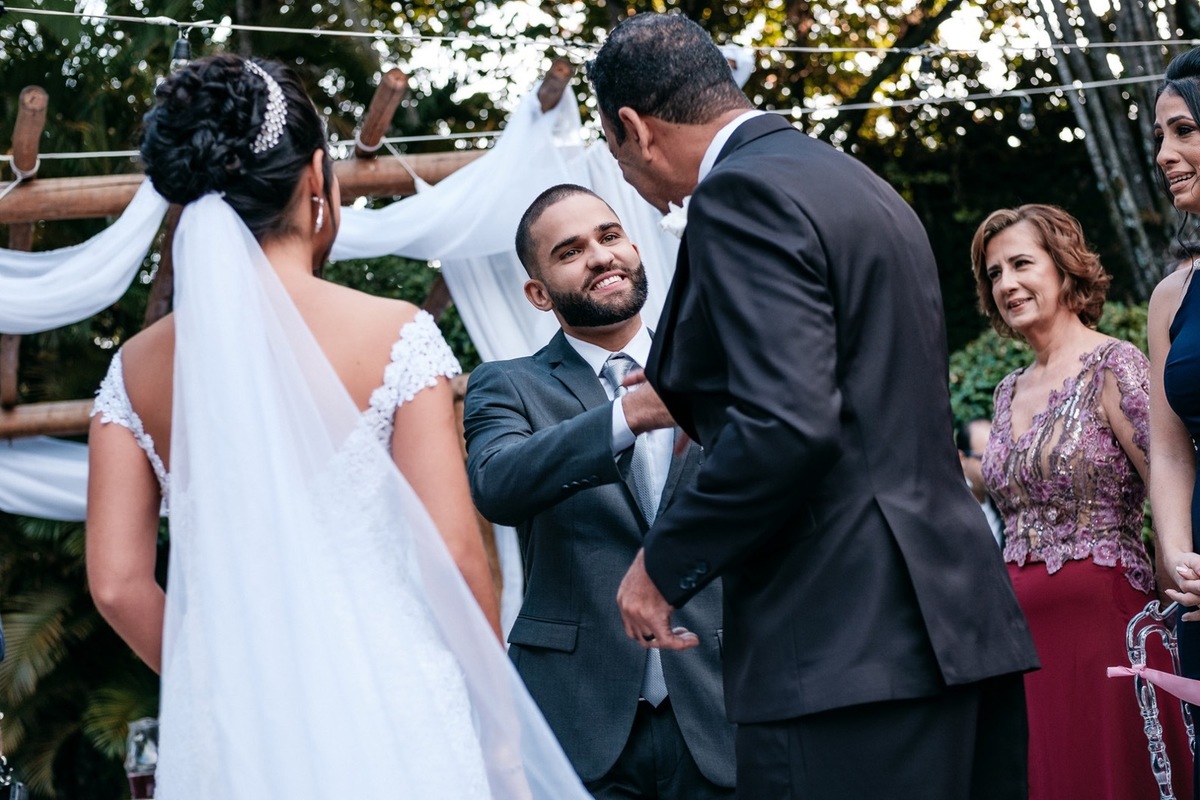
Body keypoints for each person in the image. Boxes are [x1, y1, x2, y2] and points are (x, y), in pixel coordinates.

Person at [85, 54, 589, 798]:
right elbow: (454, 552)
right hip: (400, 711)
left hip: (238, 742)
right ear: (317, 177)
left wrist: (220, 691)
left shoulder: (135, 372)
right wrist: (502, 735)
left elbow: (119, 584)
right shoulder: (394, 333)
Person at [588, 14, 1039, 799]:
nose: (625, 175)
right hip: (961, 631)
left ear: (635, 128)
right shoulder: (860, 185)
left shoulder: (737, 196)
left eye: (614, 154)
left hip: (841, 653)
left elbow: (787, 423)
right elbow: (861, 390)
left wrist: (661, 565)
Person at [463, 184, 735, 799]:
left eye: (609, 237)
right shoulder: (507, 385)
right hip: (578, 718)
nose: (600, 256)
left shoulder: (718, 363)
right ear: (538, 292)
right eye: (570, 250)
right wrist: (628, 415)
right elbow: (498, 483)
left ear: (635, 249)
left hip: (724, 706)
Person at [973, 203, 1192, 800]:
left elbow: (1173, 479)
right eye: (994, 274)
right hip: (1020, 634)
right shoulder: (1005, 390)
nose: (1007, 284)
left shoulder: (1114, 364)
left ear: (1064, 266)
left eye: (1021, 263)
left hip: (1105, 624)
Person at [1150, 46, 1200, 800]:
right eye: (1160, 137)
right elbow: (1167, 448)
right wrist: (1178, 553)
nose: (1165, 155)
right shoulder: (1170, 296)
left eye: (1185, 130)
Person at [957, 417, 1004, 546]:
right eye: (986, 458)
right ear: (962, 459)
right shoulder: (950, 508)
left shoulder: (1002, 504)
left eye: (1000, 457)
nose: (996, 467)